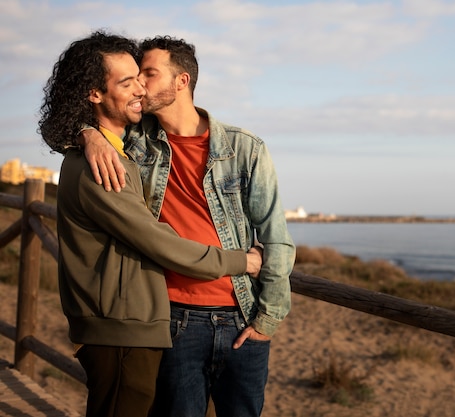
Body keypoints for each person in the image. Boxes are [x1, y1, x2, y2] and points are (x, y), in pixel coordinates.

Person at [38, 31, 263, 417]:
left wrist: (86, 132)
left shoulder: (113, 150)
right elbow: (158, 240)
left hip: (130, 324)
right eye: (127, 82)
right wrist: (240, 261)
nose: (140, 89)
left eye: (142, 78)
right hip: (121, 328)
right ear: (94, 93)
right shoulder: (99, 166)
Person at [82, 35, 296, 417]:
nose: (139, 85)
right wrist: (88, 135)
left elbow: (276, 237)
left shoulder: (244, 148)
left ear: (181, 81)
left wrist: (268, 320)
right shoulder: (133, 140)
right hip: (171, 317)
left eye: (148, 73)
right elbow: (72, 118)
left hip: (241, 317)